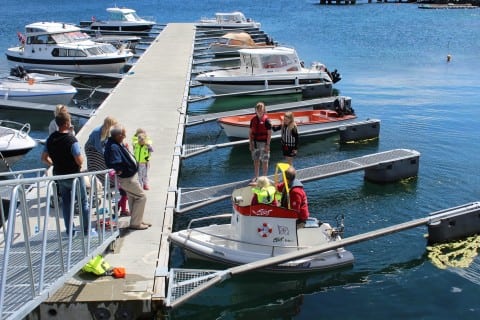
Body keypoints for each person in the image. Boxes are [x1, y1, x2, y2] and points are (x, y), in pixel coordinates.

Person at [41, 111, 89, 235]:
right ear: (67, 123)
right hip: (74, 176)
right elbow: (79, 160)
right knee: (83, 201)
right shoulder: (71, 140)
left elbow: (44, 158)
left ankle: (70, 230)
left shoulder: (50, 139)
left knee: (66, 204)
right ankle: (86, 230)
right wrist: (81, 163)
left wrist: (54, 163)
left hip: (60, 176)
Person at [104, 125, 150, 230]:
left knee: (133, 198)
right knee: (142, 197)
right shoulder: (113, 147)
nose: (125, 136)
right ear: (119, 135)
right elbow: (115, 162)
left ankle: (138, 220)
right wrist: (121, 171)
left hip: (129, 177)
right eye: (123, 134)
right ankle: (135, 224)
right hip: (127, 179)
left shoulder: (115, 143)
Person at [249, 102, 272, 182]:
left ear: (264, 110)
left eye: (261, 109)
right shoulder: (253, 120)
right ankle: (256, 177)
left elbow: (269, 133)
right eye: (258, 109)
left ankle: (265, 177)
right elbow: (250, 132)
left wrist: (268, 145)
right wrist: (250, 143)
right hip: (255, 143)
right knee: (256, 160)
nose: (259, 111)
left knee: (265, 161)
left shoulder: (267, 121)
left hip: (264, 143)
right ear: (256, 110)